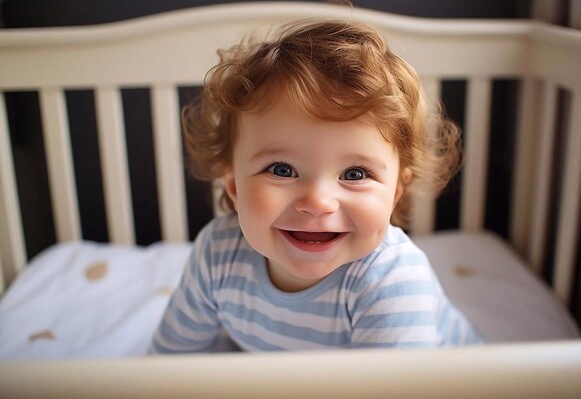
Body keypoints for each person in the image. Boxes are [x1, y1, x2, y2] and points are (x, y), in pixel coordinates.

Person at [150, 19, 481, 353]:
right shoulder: (217, 256)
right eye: (282, 169)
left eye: (354, 174)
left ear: (395, 193)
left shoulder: (390, 280)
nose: (318, 202)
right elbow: (169, 365)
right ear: (234, 186)